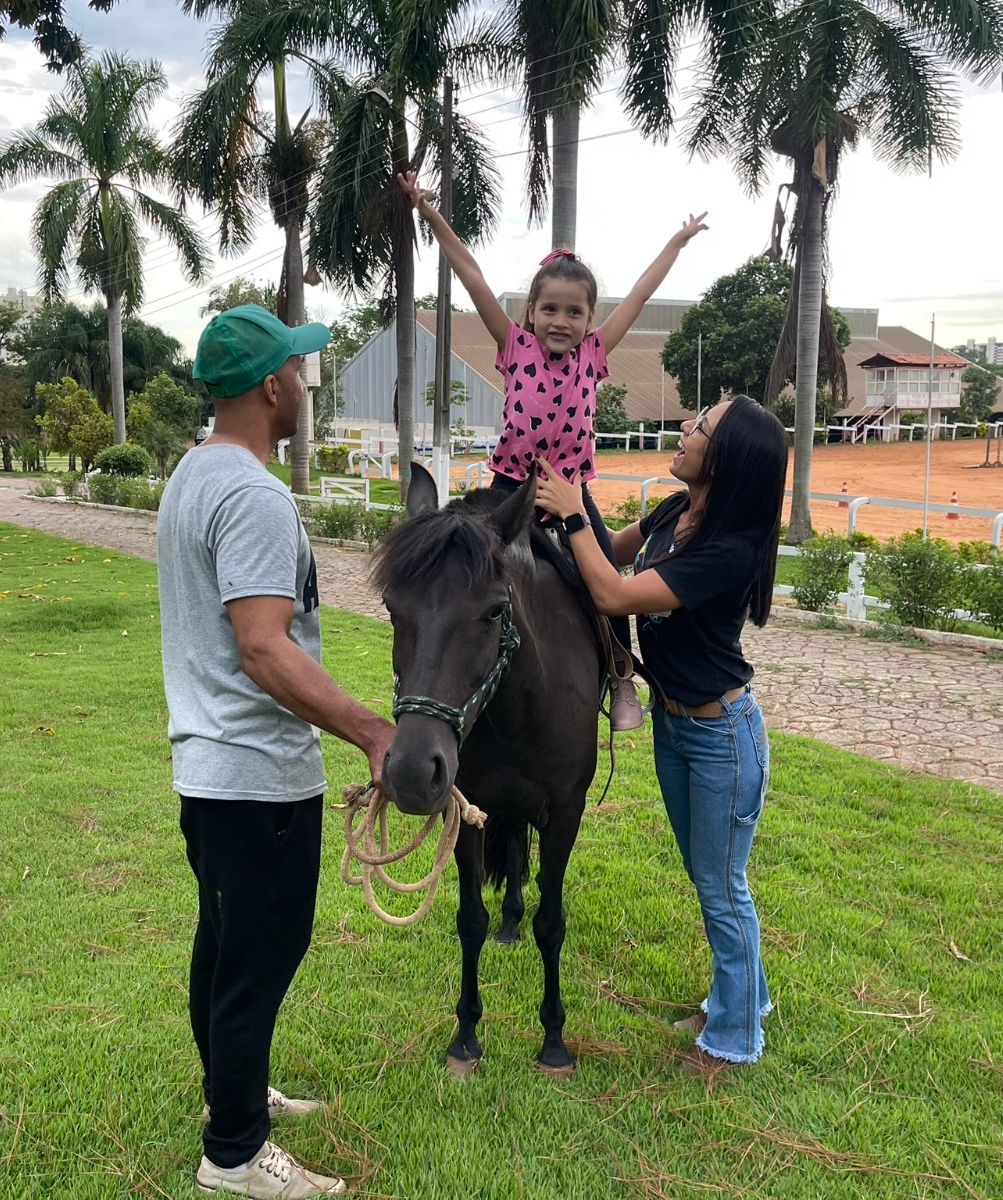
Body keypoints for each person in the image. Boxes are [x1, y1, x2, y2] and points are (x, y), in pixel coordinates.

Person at [157, 304, 394, 1197]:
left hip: (208, 768)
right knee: (257, 957)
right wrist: (374, 730)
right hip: (256, 776)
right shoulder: (251, 493)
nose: (303, 380)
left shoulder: (194, 474)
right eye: (295, 367)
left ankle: (237, 1095)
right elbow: (262, 644)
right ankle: (235, 1157)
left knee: (223, 947)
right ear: (270, 385)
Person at [397, 169, 708, 731]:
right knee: (460, 571)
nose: (560, 321)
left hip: (568, 495)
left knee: (607, 575)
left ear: (590, 319)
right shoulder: (512, 346)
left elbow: (640, 293)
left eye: (574, 312)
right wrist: (429, 212)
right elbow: (470, 274)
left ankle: (617, 676)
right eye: (549, 309)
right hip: (508, 489)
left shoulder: (594, 354)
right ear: (530, 313)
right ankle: (443, 676)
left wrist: (676, 243)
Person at [532, 396, 787, 1069]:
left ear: (724, 456)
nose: (683, 428)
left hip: (721, 736)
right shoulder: (678, 512)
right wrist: (571, 487)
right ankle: (745, 999)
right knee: (710, 878)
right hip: (676, 728)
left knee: (722, 884)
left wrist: (568, 510)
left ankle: (733, 1042)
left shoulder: (729, 551)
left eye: (699, 426)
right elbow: (607, 551)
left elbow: (614, 593)